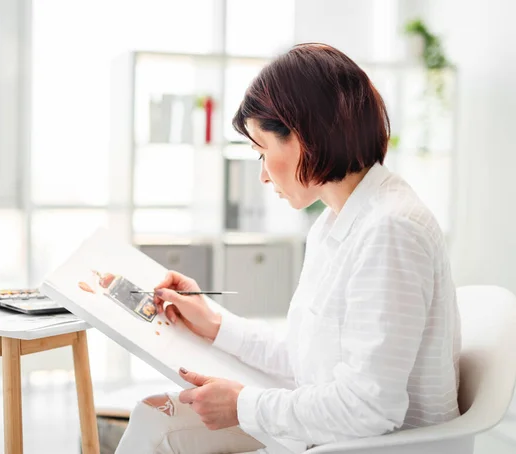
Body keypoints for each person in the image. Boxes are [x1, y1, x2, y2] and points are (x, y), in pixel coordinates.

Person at [115, 43, 461, 454]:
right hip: (333, 431)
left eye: (262, 151)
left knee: (162, 429)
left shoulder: (391, 230)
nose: (262, 175)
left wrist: (243, 405)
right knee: (151, 417)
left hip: (372, 445)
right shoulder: (336, 223)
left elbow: (370, 407)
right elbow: (306, 360)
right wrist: (213, 322)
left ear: (305, 138)